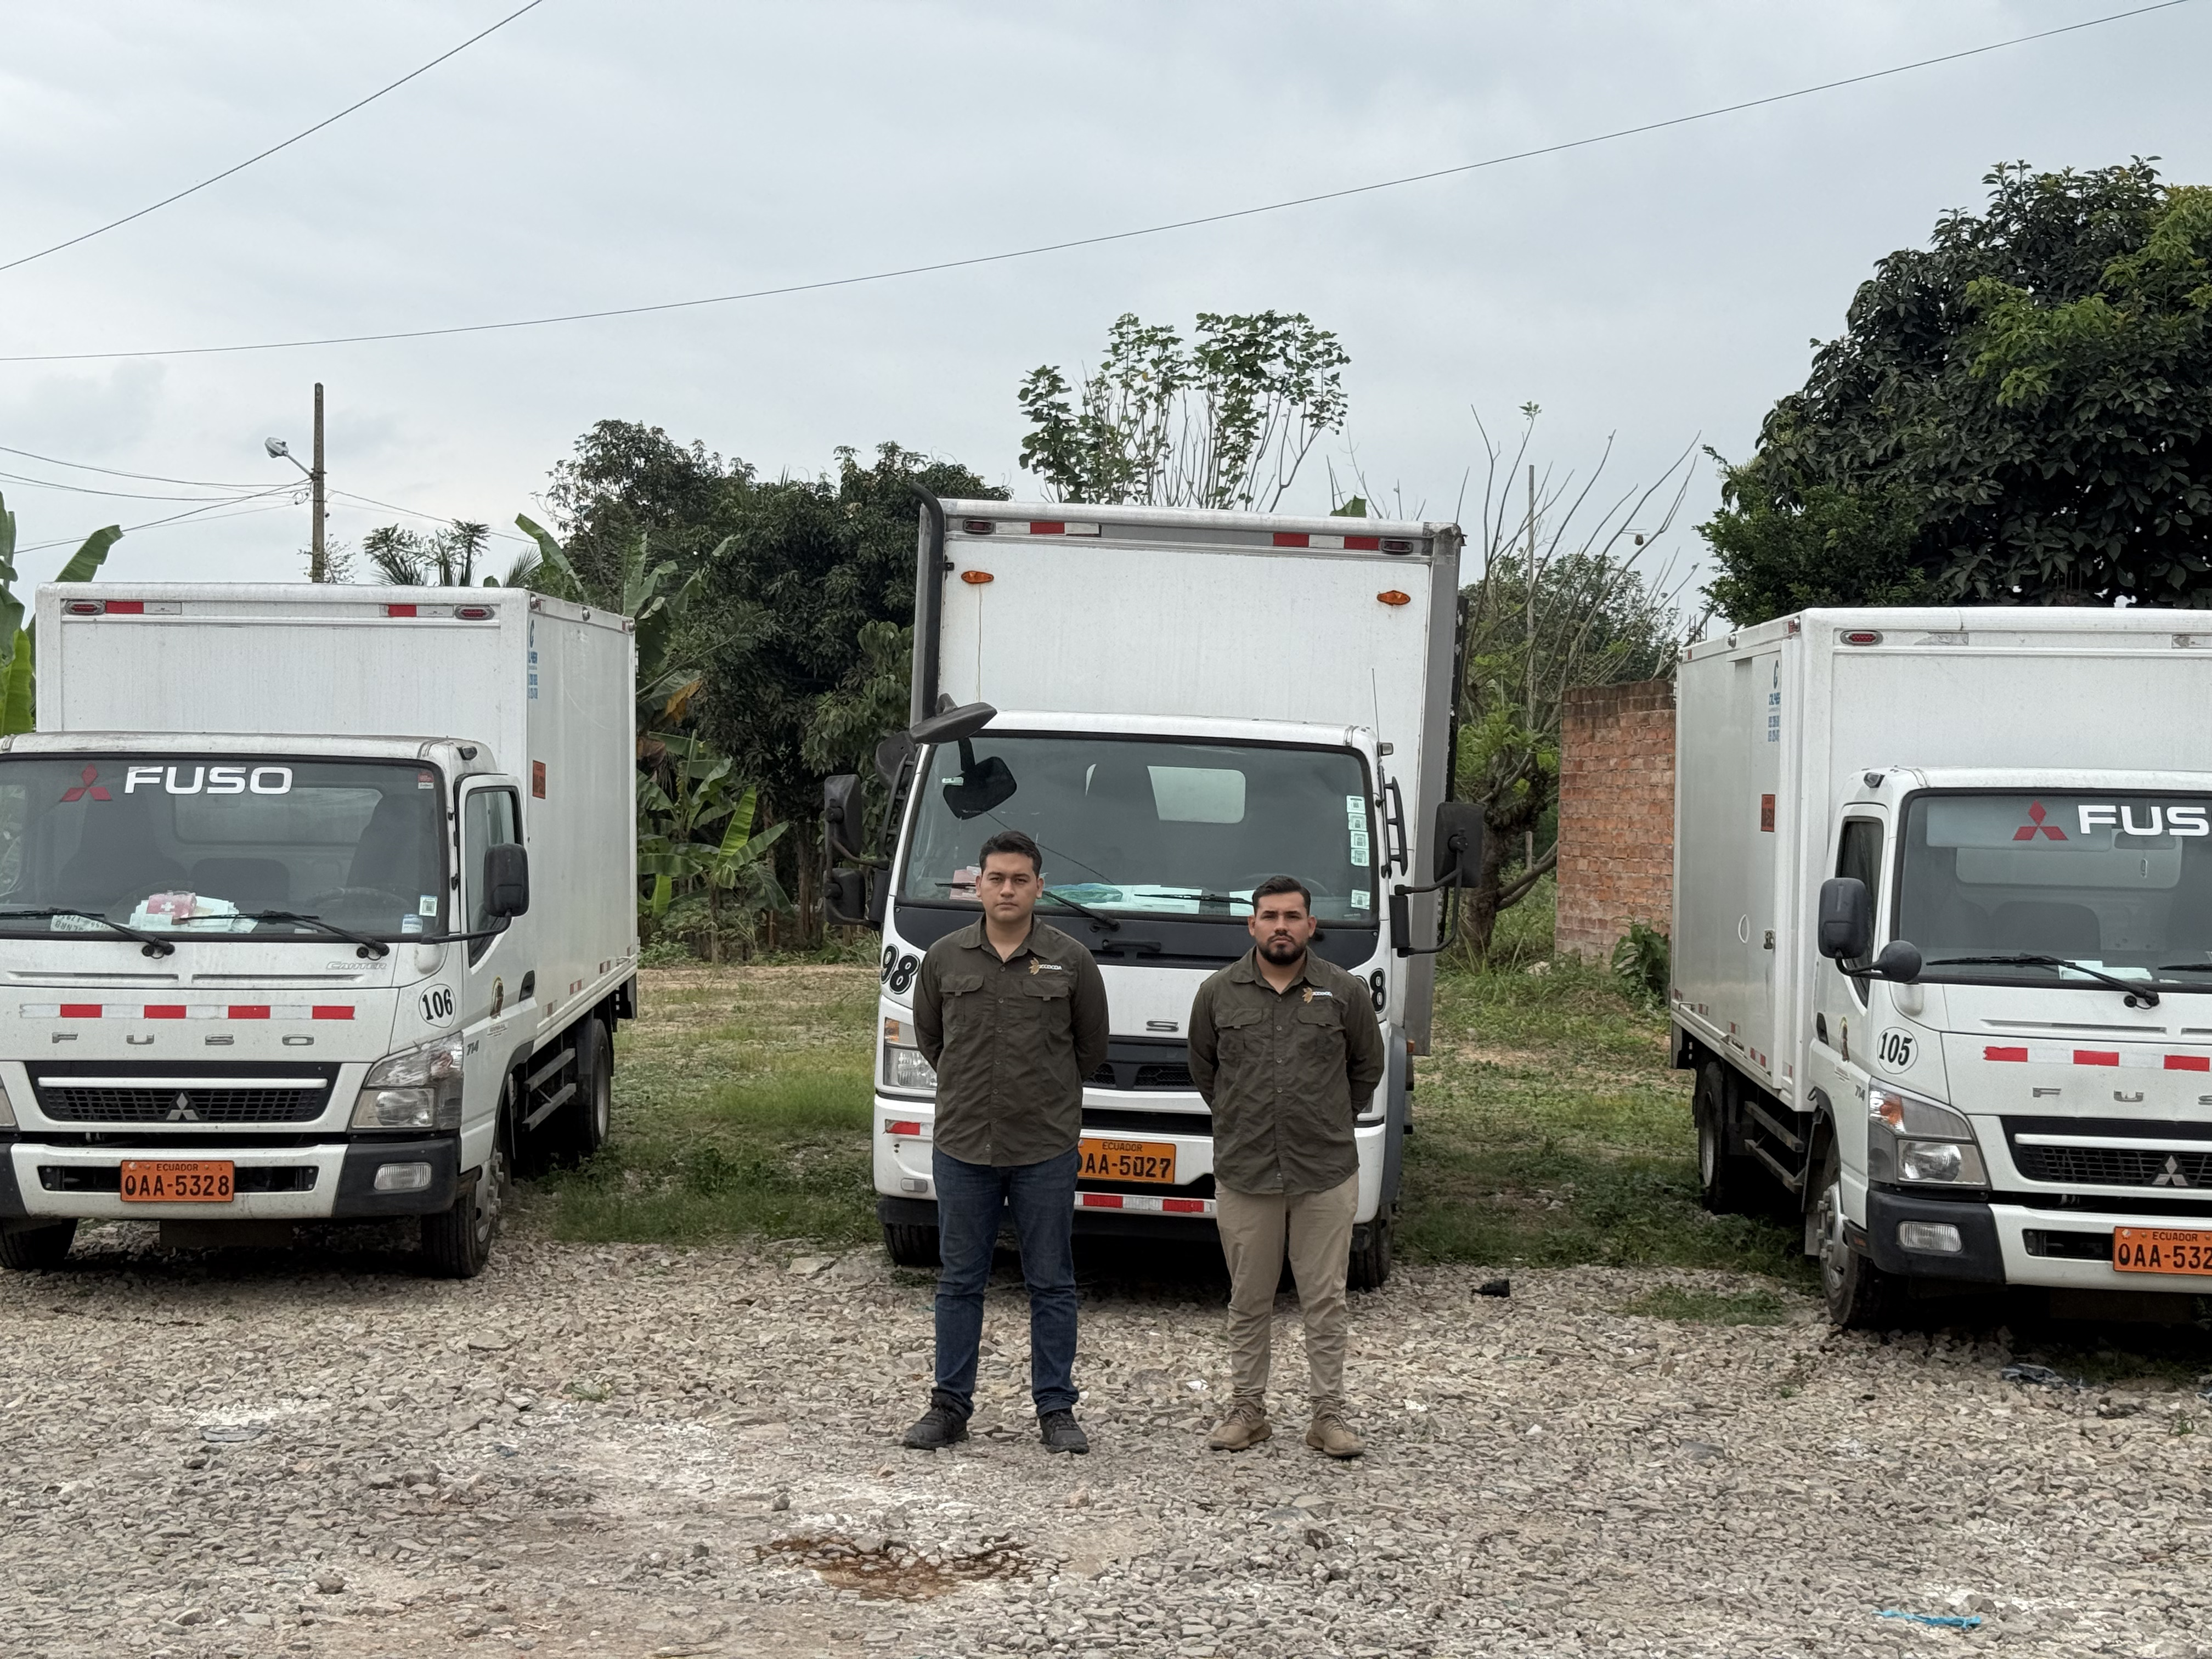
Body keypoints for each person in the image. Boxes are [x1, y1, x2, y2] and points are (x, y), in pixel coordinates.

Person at [901, 828, 1110, 1455]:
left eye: (1020, 879)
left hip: (1044, 1147)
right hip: (965, 1145)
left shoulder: (1071, 960)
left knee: (1051, 1281)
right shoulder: (944, 959)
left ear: (1039, 887)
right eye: (996, 878)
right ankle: (949, 1407)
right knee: (960, 1280)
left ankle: (1056, 1409)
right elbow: (933, 1041)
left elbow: (1090, 1049)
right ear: (978, 885)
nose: (1008, 889)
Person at [1186, 875, 1385, 1458]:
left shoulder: (1342, 993)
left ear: (1310, 926)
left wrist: (1325, 1119)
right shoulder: (1218, 994)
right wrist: (1242, 1118)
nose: (1281, 926)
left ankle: (1328, 1416)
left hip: (1323, 1169)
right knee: (1249, 1297)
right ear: (1252, 925)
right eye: (1269, 916)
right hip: (1247, 1170)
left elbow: (1365, 1067)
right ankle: (1248, 1410)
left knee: (1325, 1298)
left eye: (1292, 916)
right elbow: (1206, 1071)